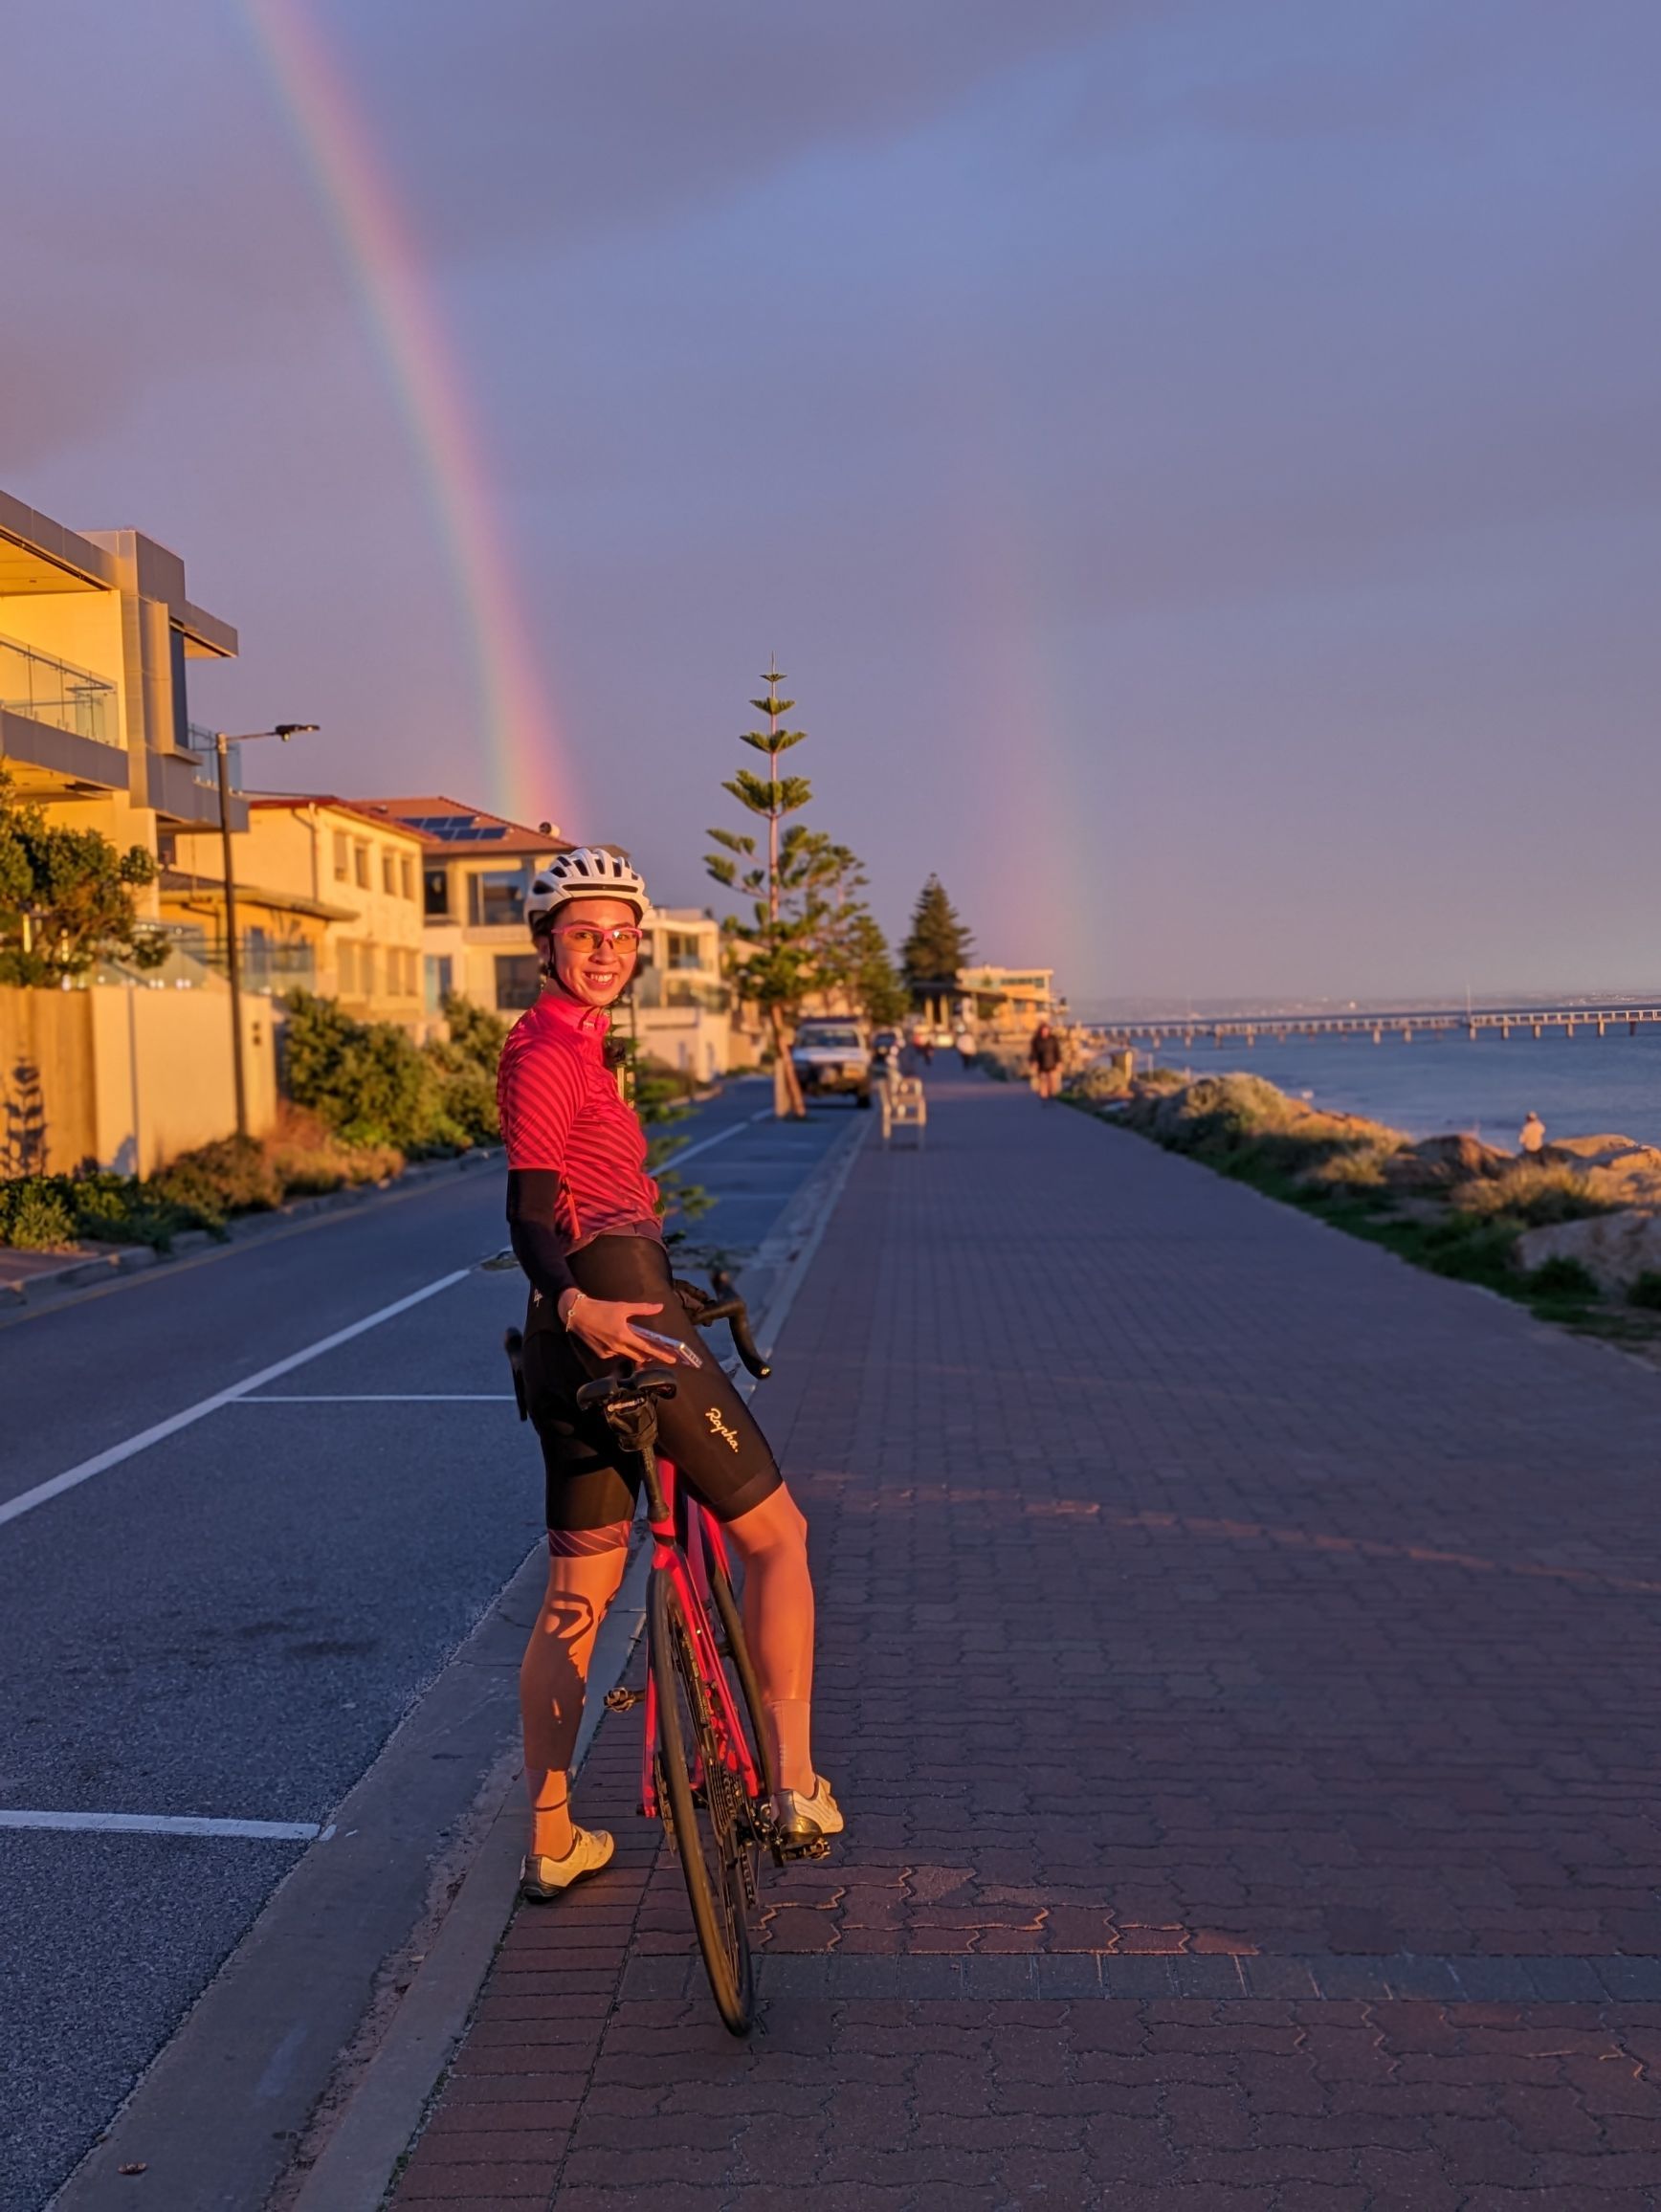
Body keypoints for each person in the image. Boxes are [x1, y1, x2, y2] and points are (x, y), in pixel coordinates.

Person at [498, 846, 841, 1901]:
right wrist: (584, 1298)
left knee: (579, 1591)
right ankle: (792, 1785)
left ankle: (552, 1838)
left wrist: (571, 1305)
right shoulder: (546, 1052)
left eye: (621, 934)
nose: (604, 950)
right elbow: (527, 1207)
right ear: (545, 943)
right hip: (615, 1313)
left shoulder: (577, 1047)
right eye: (582, 933)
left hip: (567, 1335)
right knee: (776, 1536)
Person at [1029, 1020, 1064, 1100]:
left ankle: (1052, 1094)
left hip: (1052, 1062)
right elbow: (1034, 1052)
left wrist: (1059, 1061)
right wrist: (1034, 1061)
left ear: (1049, 1030)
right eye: (1043, 1030)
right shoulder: (1036, 1040)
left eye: (1046, 1030)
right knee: (1043, 1080)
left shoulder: (1053, 1039)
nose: (1045, 1032)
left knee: (1053, 1079)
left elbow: (1057, 1051)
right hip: (1041, 1063)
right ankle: (1044, 1097)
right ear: (1040, 1030)